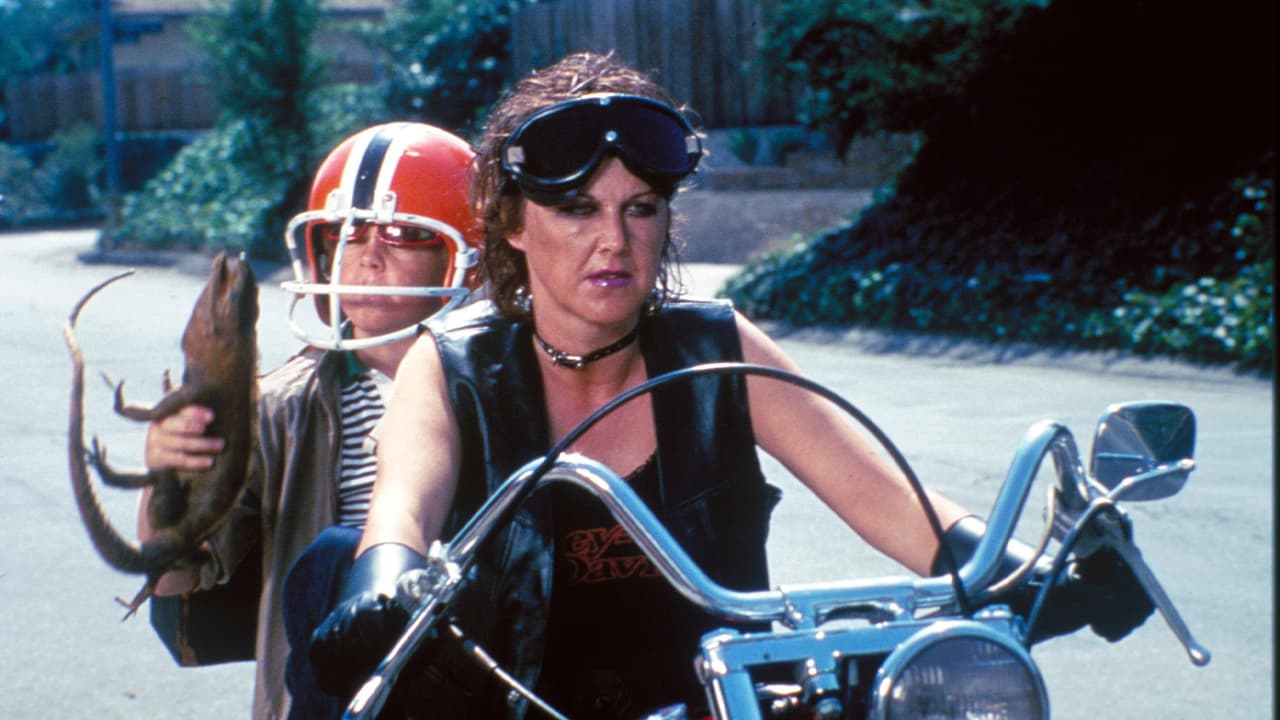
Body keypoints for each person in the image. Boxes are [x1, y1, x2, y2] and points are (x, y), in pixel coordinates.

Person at [301, 52, 1154, 719]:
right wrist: (383, 582)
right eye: (579, 209)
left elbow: (894, 502)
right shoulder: (453, 366)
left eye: (641, 208)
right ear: (514, 225)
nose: (615, 241)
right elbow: (400, 510)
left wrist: (1037, 572)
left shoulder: (716, 348)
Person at [137, 121, 481, 720]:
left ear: (466, 260)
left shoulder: (509, 387)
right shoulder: (280, 406)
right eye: (345, 234)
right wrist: (167, 477)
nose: (368, 256)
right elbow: (175, 583)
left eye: (403, 234)